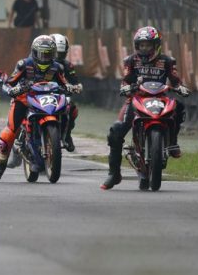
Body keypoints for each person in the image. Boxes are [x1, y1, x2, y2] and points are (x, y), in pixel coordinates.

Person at [101, 26, 189, 190]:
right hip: (136, 99)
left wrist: (181, 88)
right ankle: (114, 174)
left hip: (160, 98)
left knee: (179, 107)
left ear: (156, 45)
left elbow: (176, 81)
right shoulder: (131, 61)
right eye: (141, 45)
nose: (144, 48)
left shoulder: (167, 61)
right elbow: (125, 80)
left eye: (148, 45)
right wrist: (126, 88)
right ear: (136, 46)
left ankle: (173, 143)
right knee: (116, 131)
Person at [0, 35, 74, 180]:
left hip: (48, 99)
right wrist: (12, 89)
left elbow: (64, 83)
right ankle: (0, 164)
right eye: (42, 54)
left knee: (68, 108)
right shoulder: (24, 64)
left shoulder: (57, 67)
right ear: (34, 52)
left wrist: (70, 88)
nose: (45, 58)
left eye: (48, 54)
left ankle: (63, 137)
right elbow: (10, 81)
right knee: (10, 131)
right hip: (24, 100)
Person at [50, 33, 83, 152]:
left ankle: (67, 134)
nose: (58, 57)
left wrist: (77, 86)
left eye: (61, 53)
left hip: (60, 95)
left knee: (72, 108)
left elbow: (75, 81)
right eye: (56, 53)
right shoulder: (40, 62)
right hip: (41, 94)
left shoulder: (67, 65)